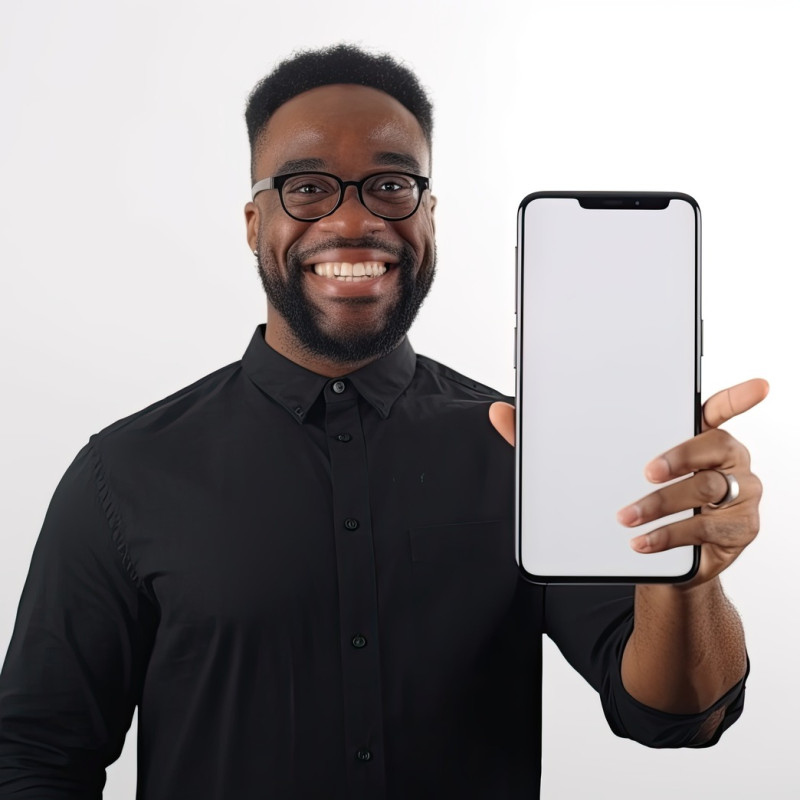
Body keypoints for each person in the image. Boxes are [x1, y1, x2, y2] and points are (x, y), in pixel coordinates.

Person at [0, 44, 767, 800]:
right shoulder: (125, 472)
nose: (355, 219)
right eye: (307, 187)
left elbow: (674, 717)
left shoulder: (526, 450)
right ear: (251, 220)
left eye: (391, 185)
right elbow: (35, 756)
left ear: (429, 215)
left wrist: (686, 580)